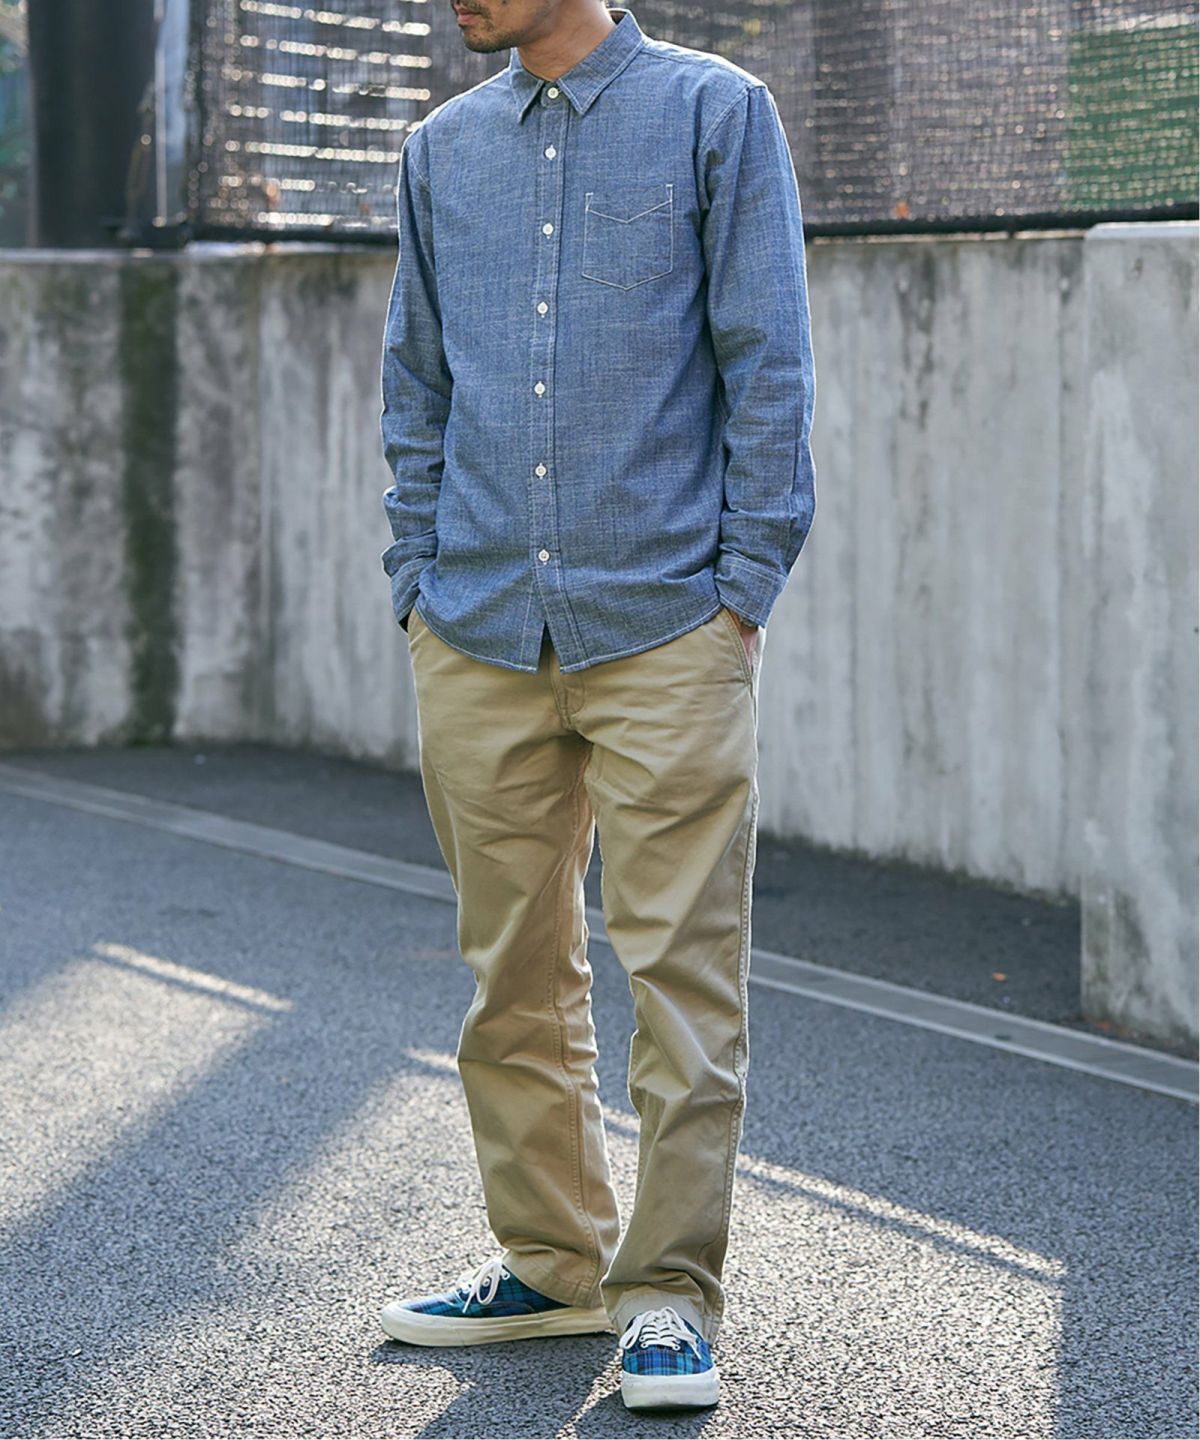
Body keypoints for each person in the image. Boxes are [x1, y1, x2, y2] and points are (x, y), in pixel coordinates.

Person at [376, 0, 815, 1411]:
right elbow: (416, 381)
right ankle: (553, 1260)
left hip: (668, 624)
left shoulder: (715, 113)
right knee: (509, 975)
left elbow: (769, 360)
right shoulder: (441, 150)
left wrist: (744, 585)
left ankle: (669, 1294)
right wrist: (415, 576)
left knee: (682, 975)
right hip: (478, 625)